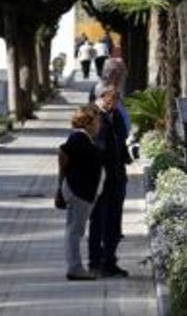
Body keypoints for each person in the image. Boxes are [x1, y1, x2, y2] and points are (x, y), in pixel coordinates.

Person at [87, 84, 131, 277]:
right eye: (113, 96)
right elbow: (94, 144)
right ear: (102, 96)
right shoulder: (92, 114)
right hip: (99, 177)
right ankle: (96, 262)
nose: (117, 99)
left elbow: (122, 135)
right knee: (99, 220)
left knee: (115, 221)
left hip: (117, 174)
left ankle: (110, 261)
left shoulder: (115, 114)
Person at [58, 107, 103, 281]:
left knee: (75, 229)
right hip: (79, 190)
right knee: (75, 230)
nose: (99, 126)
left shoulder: (85, 138)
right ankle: (75, 267)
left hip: (82, 190)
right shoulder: (78, 138)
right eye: (97, 122)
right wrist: (62, 179)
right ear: (89, 123)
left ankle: (75, 266)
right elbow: (63, 152)